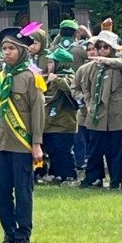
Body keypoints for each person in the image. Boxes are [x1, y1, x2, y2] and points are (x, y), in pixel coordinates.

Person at [0, 27, 45, 243]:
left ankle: (22, 235)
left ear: (22, 51)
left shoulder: (31, 77)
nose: (7, 53)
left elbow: (37, 112)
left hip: (22, 143)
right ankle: (8, 233)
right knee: (0, 190)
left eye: (11, 48)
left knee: (23, 191)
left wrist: (36, 144)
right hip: (1, 142)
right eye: (4, 48)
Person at [77, 31, 122, 189]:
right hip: (97, 113)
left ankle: (116, 181)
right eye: (99, 47)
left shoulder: (121, 67)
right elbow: (86, 88)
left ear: (113, 49)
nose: (101, 50)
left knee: (116, 150)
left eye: (106, 47)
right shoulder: (91, 67)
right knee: (95, 148)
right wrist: (89, 104)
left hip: (117, 112)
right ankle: (93, 178)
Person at [40, 49, 79, 184]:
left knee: (63, 151)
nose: (48, 65)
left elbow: (71, 90)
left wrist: (56, 79)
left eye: (51, 62)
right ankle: (55, 174)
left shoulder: (70, 77)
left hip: (64, 123)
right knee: (52, 150)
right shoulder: (48, 77)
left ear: (61, 64)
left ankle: (69, 175)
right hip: (49, 122)